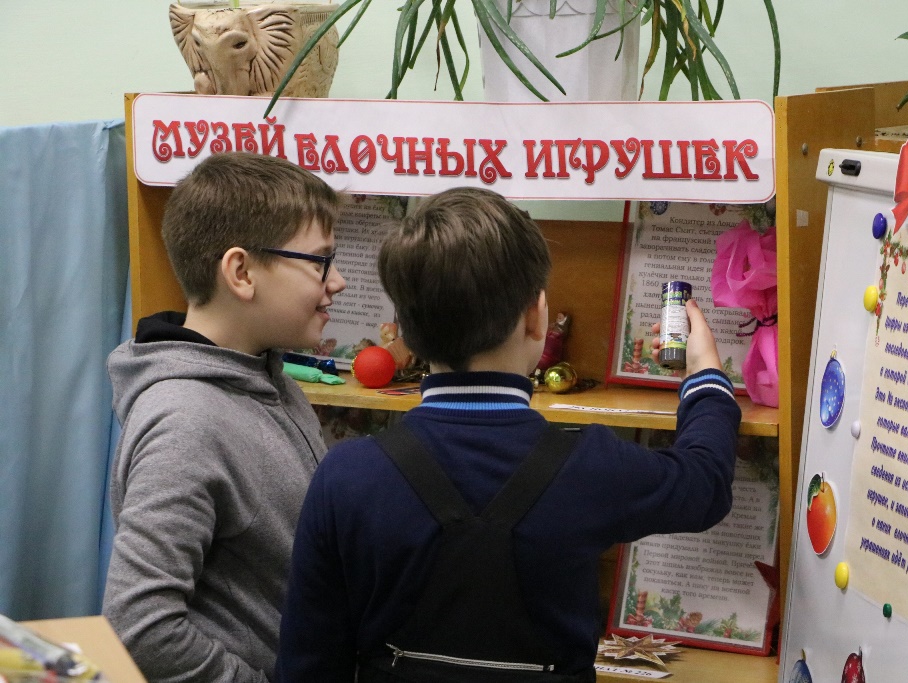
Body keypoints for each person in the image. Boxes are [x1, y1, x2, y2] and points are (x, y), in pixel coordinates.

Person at [276, 187, 740, 682]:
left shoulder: (346, 476)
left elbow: (308, 664)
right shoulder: (592, 464)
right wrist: (705, 375)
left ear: (405, 332)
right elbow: (704, 483)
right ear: (537, 317)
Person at [103, 151, 346, 683]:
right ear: (241, 272)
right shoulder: (186, 423)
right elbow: (139, 628)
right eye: (320, 261)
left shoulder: (271, 380)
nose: (338, 282)